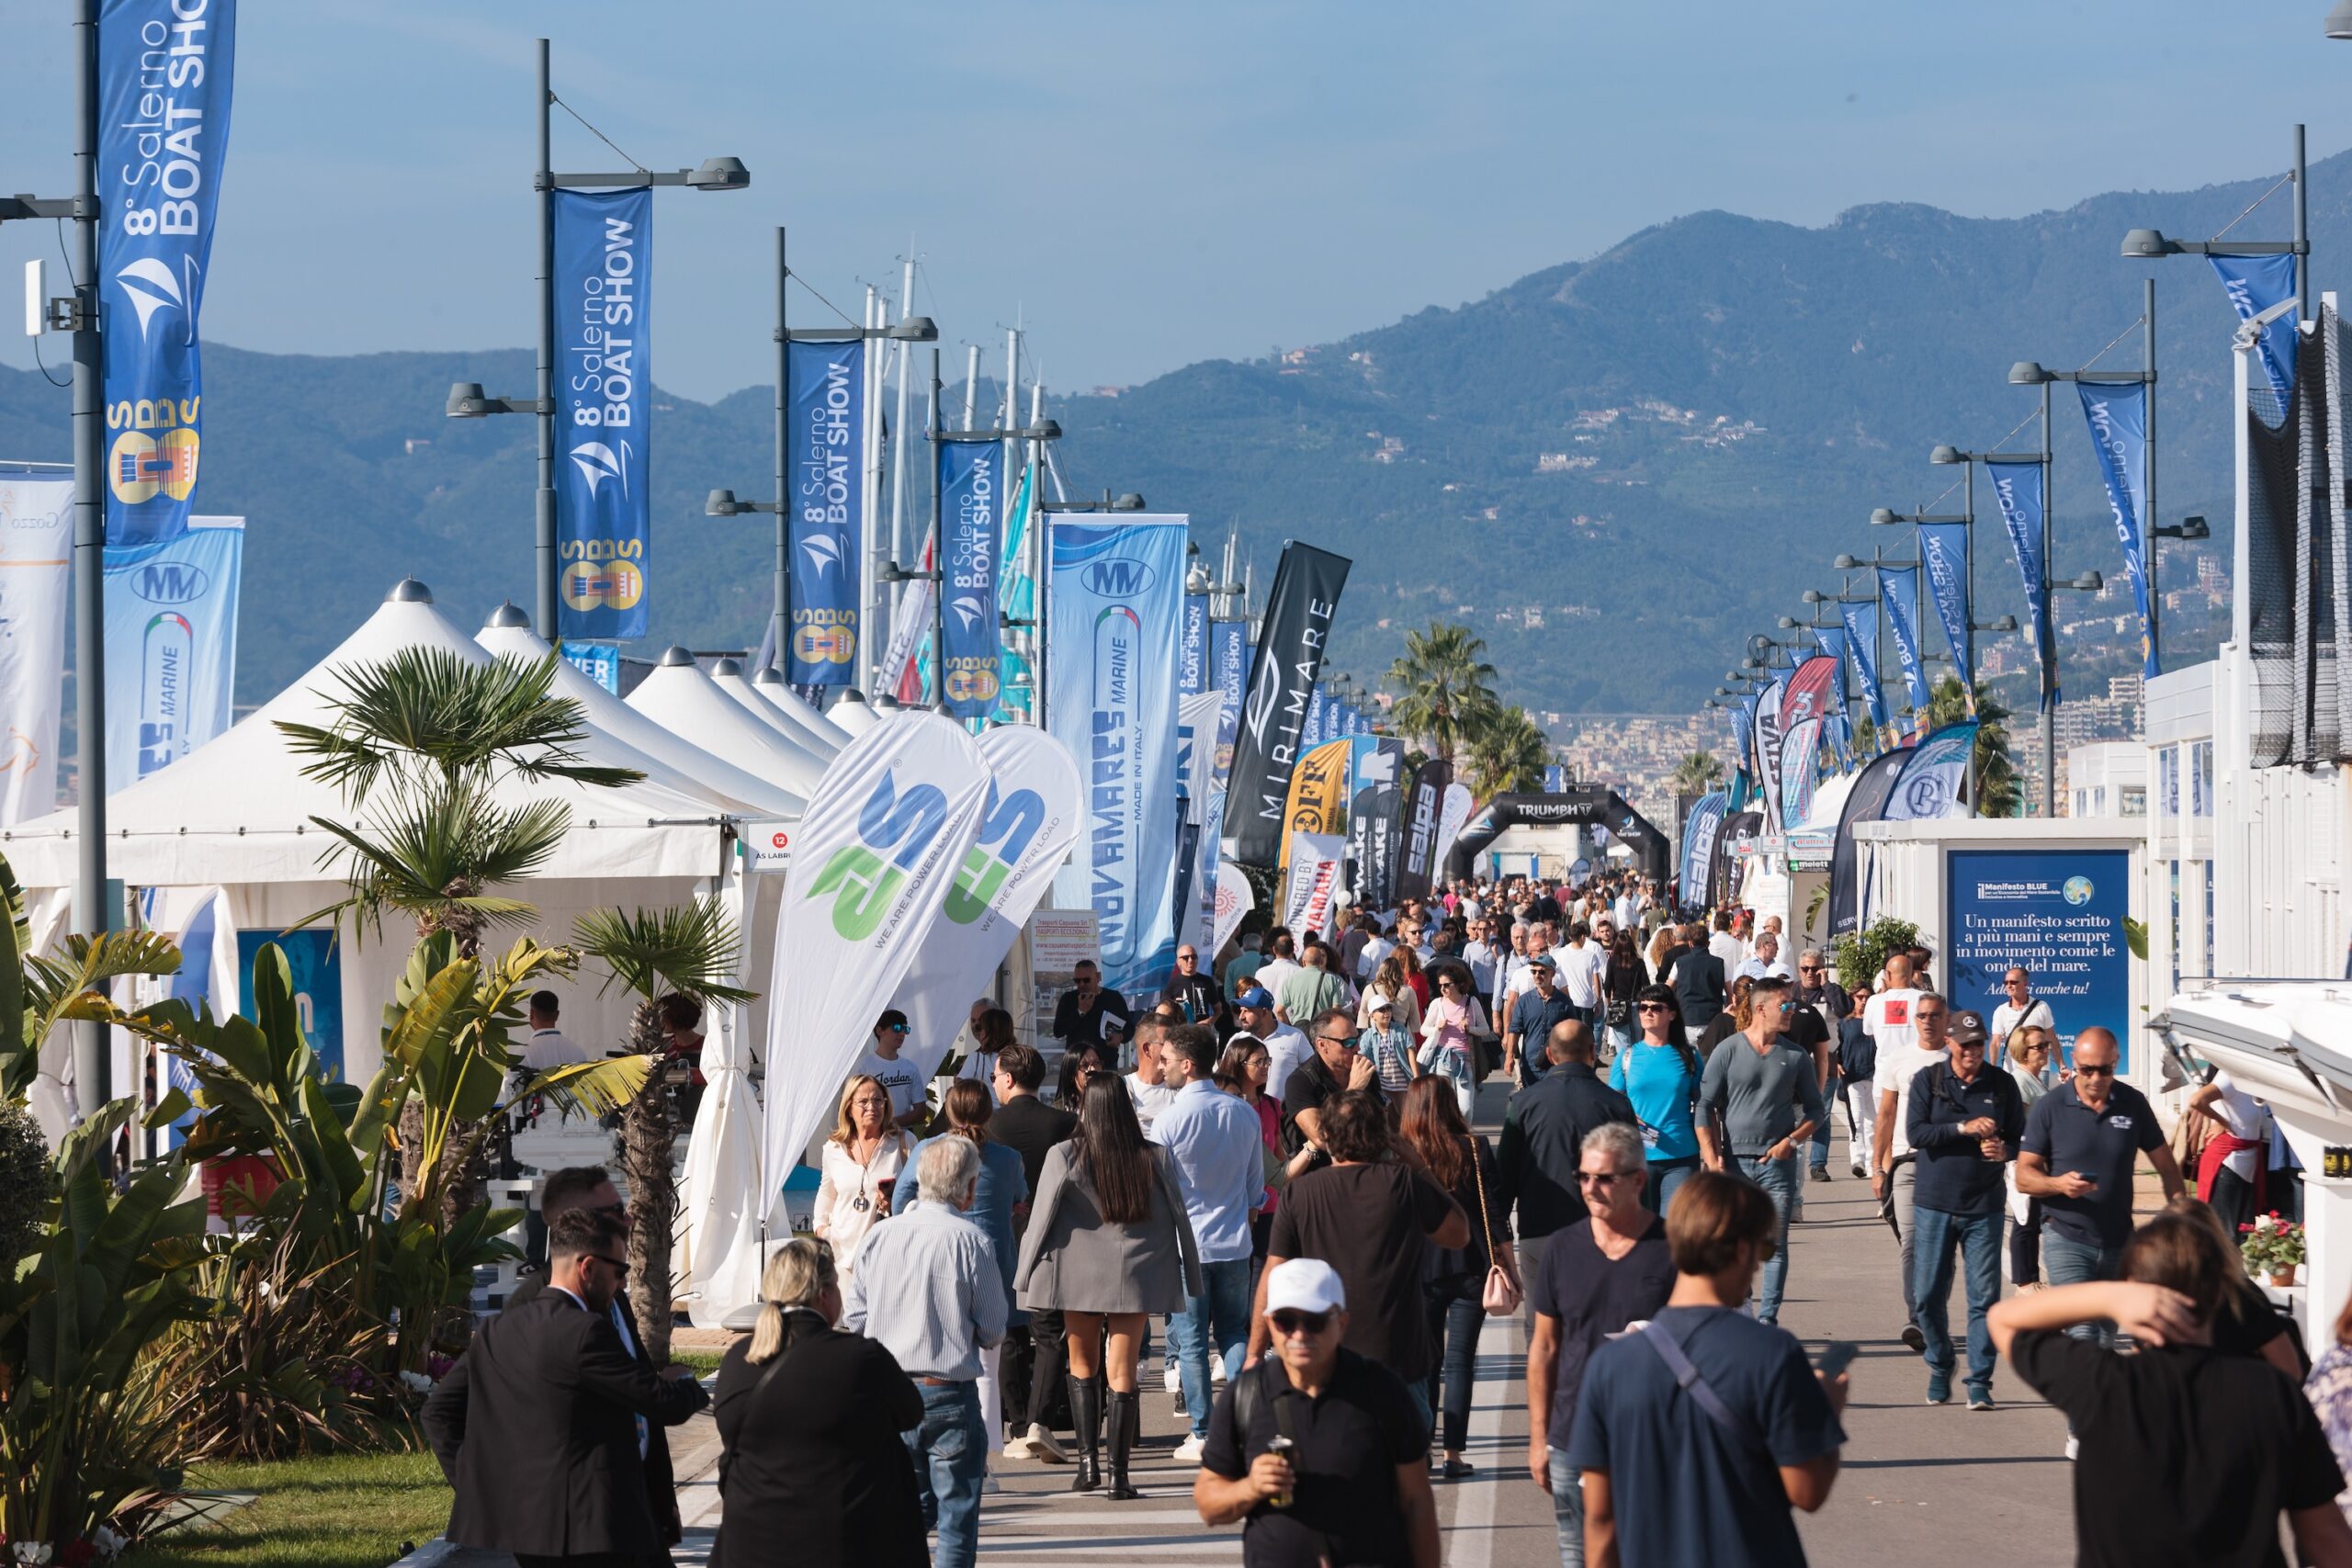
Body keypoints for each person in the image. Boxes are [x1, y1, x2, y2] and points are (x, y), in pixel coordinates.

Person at [1989, 1210, 2352, 1565]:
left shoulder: (2104, 1384)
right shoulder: (2272, 1393)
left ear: (2132, 1287)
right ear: (2220, 1290)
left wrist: (2110, 1298)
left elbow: (2003, 1320)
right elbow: (2324, 1536)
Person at [1564, 1171, 1849, 1568]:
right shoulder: (1772, 1353)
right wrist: (1828, 1412)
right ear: (1742, 1251)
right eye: (1763, 1253)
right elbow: (1807, 1491)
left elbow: (1599, 1516)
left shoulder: (1609, 1366)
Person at [424, 1208, 711, 1568]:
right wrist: (683, 1381)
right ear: (588, 1268)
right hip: (598, 1528)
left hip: (532, 1534)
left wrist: (484, 1490)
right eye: (619, 1272)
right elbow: (662, 1403)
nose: (622, 1283)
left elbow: (438, 1412)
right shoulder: (584, 1331)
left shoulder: (496, 1331)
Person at [1016, 1073, 1204, 1498]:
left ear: (1086, 1108)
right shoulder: (1153, 1156)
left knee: (1081, 1366)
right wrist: (1191, 1273)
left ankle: (1088, 1467)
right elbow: (1180, 1217)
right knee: (1122, 1371)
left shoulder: (1064, 1154)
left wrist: (1023, 1275)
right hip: (1133, 1276)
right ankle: (1120, 1476)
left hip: (1076, 1275)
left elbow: (1040, 1218)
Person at [1195, 1258, 1442, 1568]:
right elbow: (1208, 1502)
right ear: (1270, 1324)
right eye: (1286, 1321)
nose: (1299, 1334)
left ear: (1341, 1323)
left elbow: (1417, 1501)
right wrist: (1251, 1487)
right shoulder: (1245, 1396)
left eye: (1314, 1321)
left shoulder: (1381, 1390)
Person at [1250, 1090, 1470, 1439]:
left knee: (1333, 1469)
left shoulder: (1301, 1194)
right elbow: (1458, 1234)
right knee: (1402, 1476)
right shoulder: (1404, 1185)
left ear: (1327, 1138)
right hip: (1398, 1355)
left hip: (1325, 1355)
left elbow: (1272, 1274)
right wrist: (1421, 1168)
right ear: (1382, 1137)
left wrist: (1255, 1352)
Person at [496, 1166, 688, 1556]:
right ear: (577, 1223)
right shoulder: (530, 1310)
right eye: (616, 1211)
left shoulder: (612, 1290)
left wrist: (661, 1497)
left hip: (632, 1512)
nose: (629, 1218)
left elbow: (640, 1402)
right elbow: (461, 1414)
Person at [842, 1135, 1009, 1568]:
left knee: (905, 1514)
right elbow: (993, 1330)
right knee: (956, 1517)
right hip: (948, 1391)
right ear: (968, 1188)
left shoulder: (880, 1237)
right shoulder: (971, 1240)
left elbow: (856, 1318)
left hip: (886, 1393)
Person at [710, 1238, 925, 1568]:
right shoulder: (860, 1358)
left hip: (752, 1542)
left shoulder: (738, 1361)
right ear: (824, 1294)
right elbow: (911, 1412)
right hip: (842, 1542)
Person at [1526, 1122, 1675, 1568]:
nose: (1592, 1188)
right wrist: (1539, 1438)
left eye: (1605, 1178)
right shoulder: (1562, 1248)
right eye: (1584, 1177)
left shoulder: (1672, 1249)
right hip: (1574, 1436)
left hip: (1651, 1438)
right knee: (1578, 1553)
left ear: (1638, 1181)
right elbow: (1545, 1348)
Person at [2017, 1026, 2186, 1362]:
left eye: (2105, 1069)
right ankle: (2083, 1413)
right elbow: (2024, 1176)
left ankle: (2092, 1410)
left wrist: (2181, 1221)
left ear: (2116, 1062)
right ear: (2074, 1063)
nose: (2095, 1077)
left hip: (2118, 1241)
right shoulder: (2050, 1107)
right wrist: (2058, 1184)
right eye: (2087, 1069)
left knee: (2105, 1339)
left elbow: (2167, 1167)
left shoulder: (2132, 1103)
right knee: (2084, 1336)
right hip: (2066, 1236)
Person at [1150, 1023, 1269, 1463]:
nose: (1161, 1068)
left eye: (1166, 1061)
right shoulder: (1244, 1113)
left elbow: (1157, 1190)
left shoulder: (1169, 1120)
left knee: (1194, 1343)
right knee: (1234, 1332)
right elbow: (1257, 1185)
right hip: (1234, 1241)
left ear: (1187, 1064)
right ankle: (1240, 1425)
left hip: (1188, 1248)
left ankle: (1203, 1431)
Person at [904, 1079, 1031, 1475]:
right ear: (988, 1113)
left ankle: (942, 1450)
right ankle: (987, 1459)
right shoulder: (1009, 1158)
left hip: (935, 1260)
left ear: (948, 1110)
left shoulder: (927, 1150)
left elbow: (900, 1197)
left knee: (937, 1358)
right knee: (988, 1369)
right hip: (992, 1262)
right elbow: (1020, 1201)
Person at [1905, 1008, 2025, 1409]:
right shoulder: (1929, 1080)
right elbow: (1916, 1133)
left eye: (1979, 1043)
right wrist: (1963, 1128)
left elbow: (2021, 1141)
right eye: (1966, 1044)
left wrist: (2003, 1149)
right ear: (1950, 1043)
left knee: (1983, 1297)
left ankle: (1980, 1381)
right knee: (1925, 1296)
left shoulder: (2002, 1084)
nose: (1973, 1051)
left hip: (1983, 1207)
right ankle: (1940, 1364)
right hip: (1934, 1204)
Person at [1399, 1077, 1513, 1479]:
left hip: (1419, 1272)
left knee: (1425, 1362)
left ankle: (1423, 1448)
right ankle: (1453, 1453)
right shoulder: (1474, 1148)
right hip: (1470, 1266)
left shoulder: (1402, 1155)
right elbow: (1494, 1211)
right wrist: (1509, 1263)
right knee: (1461, 1361)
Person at [1695, 974, 1823, 1326]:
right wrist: (1712, 1159)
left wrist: (1791, 1142)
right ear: (1761, 1009)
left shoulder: (1796, 1056)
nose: (1792, 1010)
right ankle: (1742, 1311)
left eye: (1792, 1004)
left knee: (1774, 1246)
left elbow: (1816, 1110)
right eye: (1786, 1004)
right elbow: (1705, 1105)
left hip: (1777, 1164)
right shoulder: (1728, 1050)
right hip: (1734, 1165)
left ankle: (1767, 1320)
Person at [1498, 1021, 1639, 1333]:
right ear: (1593, 1052)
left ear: (1548, 1054)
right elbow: (1634, 1180)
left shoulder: (1522, 1104)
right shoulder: (1616, 1104)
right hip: (1602, 1234)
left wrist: (1499, 1238)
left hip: (1539, 1229)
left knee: (1542, 1332)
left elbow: (1504, 1178)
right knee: (1598, 1329)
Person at [990, 1043, 1080, 1466]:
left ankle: (1016, 1419)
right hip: (1054, 1239)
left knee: (1008, 1332)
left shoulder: (987, 1126)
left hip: (1002, 1237)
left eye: (995, 1076)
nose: (994, 1083)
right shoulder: (1065, 1123)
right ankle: (1039, 1423)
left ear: (1008, 1079)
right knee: (1049, 1333)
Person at [1872, 987, 1957, 1350]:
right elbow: (1886, 1115)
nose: (1927, 1022)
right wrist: (1878, 1167)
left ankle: (1933, 1311)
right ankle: (1917, 1317)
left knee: (1941, 1247)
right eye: (1921, 1016)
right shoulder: (1899, 1059)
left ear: (1946, 1019)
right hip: (1907, 1164)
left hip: (1950, 1165)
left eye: (1935, 1015)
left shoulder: (1958, 1058)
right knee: (1912, 1242)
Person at [1607, 984, 1705, 1213]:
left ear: (1671, 1014)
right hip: (1637, 1158)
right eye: (1643, 1007)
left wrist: (1711, 1151)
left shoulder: (1689, 1056)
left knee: (1673, 1229)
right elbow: (1611, 1106)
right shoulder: (1627, 1057)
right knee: (1643, 1233)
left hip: (1682, 1155)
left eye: (1655, 1008)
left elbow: (1704, 1105)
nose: (1647, 1012)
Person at [814, 1076, 914, 1278]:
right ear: (849, 1108)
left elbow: (919, 1194)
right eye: (864, 1102)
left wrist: (893, 1203)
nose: (872, 1107)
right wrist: (821, 1228)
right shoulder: (833, 1148)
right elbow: (827, 1194)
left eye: (878, 1100)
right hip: (841, 1257)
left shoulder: (903, 1142)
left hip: (888, 1257)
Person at [1281, 1007, 1381, 1159]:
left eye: (1357, 1038)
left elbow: (1383, 1124)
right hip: (1322, 1175)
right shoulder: (1300, 1082)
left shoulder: (1364, 1072)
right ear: (1322, 1045)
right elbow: (1322, 1138)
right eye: (1348, 1042)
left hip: (1366, 1166)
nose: (1357, 1047)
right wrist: (1353, 1091)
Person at [2188, 1065, 2274, 1237]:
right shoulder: (2229, 1074)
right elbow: (2196, 1100)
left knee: (2243, 1232)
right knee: (2224, 1232)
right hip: (2228, 1162)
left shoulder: (2251, 1077)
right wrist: (2222, 1121)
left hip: (2247, 1161)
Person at [1415, 965, 1492, 1115]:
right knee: (1445, 1106)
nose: (1442, 989)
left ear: (1458, 984)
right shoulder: (1437, 1004)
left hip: (1466, 1059)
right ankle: (1449, 1137)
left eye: (1446, 985)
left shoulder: (1471, 1002)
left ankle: (1464, 1136)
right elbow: (1423, 1030)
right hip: (1443, 1058)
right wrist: (1437, 1028)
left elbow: (1485, 1029)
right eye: (1440, 985)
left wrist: (1470, 1029)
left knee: (1465, 1109)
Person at [1507, 955, 1579, 1088]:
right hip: (1530, 1065)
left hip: (1556, 1065)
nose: (1537, 975)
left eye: (1542, 971)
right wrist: (1509, 1057)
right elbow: (1515, 1030)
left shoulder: (1564, 1002)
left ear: (1552, 973)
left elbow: (1573, 1033)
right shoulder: (1524, 1001)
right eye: (1534, 972)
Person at [852, 1010, 930, 1130]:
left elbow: (921, 1112)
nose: (902, 1033)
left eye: (905, 1029)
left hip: (903, 1136)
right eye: (897, 1028)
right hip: (871, 1136)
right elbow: (849, 1106)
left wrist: (892, 1123)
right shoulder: (862, 1067)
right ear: (879, 1031)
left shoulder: (910, 1068)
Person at [1231, 987, 1312, 1100]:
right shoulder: (1237, 1040)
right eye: (1241, 1010)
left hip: (1286, 1115)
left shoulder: (1295, 1037)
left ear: (1264, 1012)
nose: (1241, 1017)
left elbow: (1312, 1074)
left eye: (1247, 1011)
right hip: (1246, 1113)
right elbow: (1226, 1076)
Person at [1054, 960, 1132, 1065]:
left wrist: (1120, 1037)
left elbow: (1130, 1028)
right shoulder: (1068, 999)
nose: (1081, 984)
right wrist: (1080, 1011)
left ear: (1098, 977)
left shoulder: (1114, 998)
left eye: (1086, 980)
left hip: (1106, 1063)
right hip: (1077, 1063)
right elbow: (1058, 1031)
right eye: (1077, 980)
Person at [1837, 986, 1876, 1180]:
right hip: (1852, 1076)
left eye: (1868, 997)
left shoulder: (1876, 1022)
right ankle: (1857, 1159)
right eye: (1860, 997)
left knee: (1872, 1122)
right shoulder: (1844, 1023)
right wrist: (1836, 1064)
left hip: (1874, 1075)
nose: (1864, 1000)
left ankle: (1870, 1162)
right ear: (1853, 997)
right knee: (1857, 1119)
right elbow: (1836, 1047)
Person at [1124, 1014, 1181, 1133]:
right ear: (1147, 1049)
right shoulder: (1122, 1088)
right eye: (1166, 1042)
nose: (1175, 1048)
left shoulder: (1181, 1090)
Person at [1668, 926, 1727, 1032]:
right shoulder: (1720, 963)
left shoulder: (1680, 962)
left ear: (1690, 943)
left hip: (1687, 1017)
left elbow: (1668, 987)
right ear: (1708, 943)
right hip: (1712, 1019)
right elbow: (1730, 993)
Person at [1989, 965, 2055, 1062]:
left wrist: (2061, 1066)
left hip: (2040, 1068)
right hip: (2012, 1070)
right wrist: (1992, 1069)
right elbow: (1995, 1042)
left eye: (2013, 982)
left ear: (2025, 983)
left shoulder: (2042, 1007)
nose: (2008, 986)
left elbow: (2052, 1039)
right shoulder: (2001, 1011)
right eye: (2006, 982)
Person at [1359, 992, 1418, 1100]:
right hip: (1382, 1082)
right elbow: (1362, 1056)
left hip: (1402, 1080)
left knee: (1403, 1112)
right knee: (1388, 1113)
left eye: (1388, 1008)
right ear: (1372, 1016)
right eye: (1382, 1010)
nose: (1386, 1012)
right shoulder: (1367, 1036)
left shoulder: (1400, 1029)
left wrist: (1416, 1076)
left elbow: (1410, 1051)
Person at [1278, 942, 1350, 1029]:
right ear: (1320, 961)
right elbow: (1336, 1011)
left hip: (1299, 1031)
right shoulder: (1332, 980)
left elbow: (1279, 1011)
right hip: (1322, 1031)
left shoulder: (1290, 980)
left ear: (1303, 961)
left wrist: (1289, 1029)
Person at [1600, 930, 1646, 1058]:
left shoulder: (1613, 962)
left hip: (1618, 1004)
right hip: (1636, 1003)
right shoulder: (1639, 963)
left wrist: (1608, 1003)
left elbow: (1607, 985)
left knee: (1622, 1042)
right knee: (1637, 1040)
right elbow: (1646, 985)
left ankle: (1625, 1067)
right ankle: (1636, 1067)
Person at [955, 1005, 1017, 1100]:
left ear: (988, 1032)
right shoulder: (1018, 1059)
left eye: (980, 1027)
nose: (979, 1032)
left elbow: (959, 1086)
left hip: (985, 1112)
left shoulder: (976, 1058)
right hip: (1011, 1112)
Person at [520, 990, 592, 1071]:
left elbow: (511, 1083)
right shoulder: (578, 1052)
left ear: (531, 1013)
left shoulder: (523, 1054)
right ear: (557, 1015)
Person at [1555, 921, 1608, 1030]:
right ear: (1583, 937)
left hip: (1568, 1001)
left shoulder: (1561, 954)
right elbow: (1596, 980)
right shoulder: (1591, 956)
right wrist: (1598, 1001)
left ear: (1570, 937)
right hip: (1586, 1002)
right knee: (1585, 1035)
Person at [1360, 952, 1424, 1037]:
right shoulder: (1408, 991)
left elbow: (1363, 1019)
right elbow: (1415, 1023)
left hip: (1376, 1037)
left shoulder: (1369, 989)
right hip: (1401, 1037)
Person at [1163, 944, 1219, 1023]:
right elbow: (1164, 1010)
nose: (1190, 960)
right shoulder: (1173, 983)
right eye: (1186, 958)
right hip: (1182, 1031)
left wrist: (1209, 1021)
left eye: (1194, 957)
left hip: (1202, 1031)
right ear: (1178, 961)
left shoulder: (1207, 981)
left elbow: (1218, 1009)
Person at [1256, 931, 1305, 1016]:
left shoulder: (1260, 973)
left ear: (1274, 949)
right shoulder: (1300, 972)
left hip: (1267, 1020)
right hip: (1291, 1020)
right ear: (1293, 950)